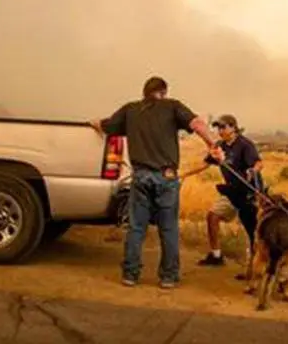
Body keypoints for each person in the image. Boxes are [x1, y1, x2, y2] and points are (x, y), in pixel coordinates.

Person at [90, 76, 218, 289]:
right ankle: (168, 277)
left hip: (140, 176)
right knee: (168, 229)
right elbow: (197, 123)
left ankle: (130, 275)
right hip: (166, 177)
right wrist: (213, 144)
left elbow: (107, 126)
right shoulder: (172, 106)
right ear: (164, 92)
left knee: (136, 228)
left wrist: (94, 123)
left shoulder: (131, 110)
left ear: (144, 92)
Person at [181, 115, 264, 269]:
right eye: (218, 127)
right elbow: (205, 164)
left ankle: (254, 267)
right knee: (213, 216)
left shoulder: (245, 145)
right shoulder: (220, 146)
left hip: (248, 193)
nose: (220, 131)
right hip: (231, 192)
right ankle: (216, 255)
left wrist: (253, 170)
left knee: (252, 230)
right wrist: (184, 174)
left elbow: (258, 163)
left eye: (223, 127)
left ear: (233, 128)